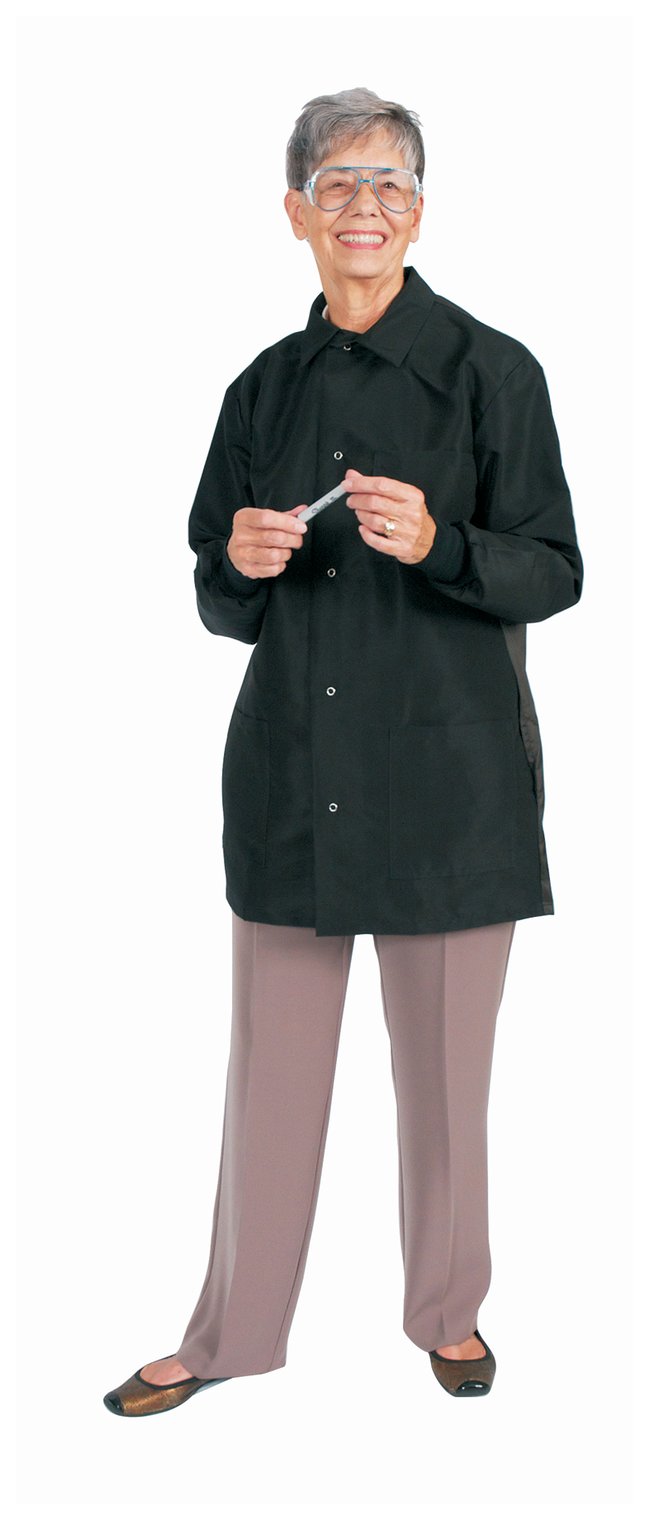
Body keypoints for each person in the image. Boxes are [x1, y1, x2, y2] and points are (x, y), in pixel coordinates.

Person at [104, 86, 583, 1417]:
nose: (364, 205)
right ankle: (228, 1335)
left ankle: (449, 1313)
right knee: (268, 1087)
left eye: (389, 184)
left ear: (418, 213)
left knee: (447, 1090)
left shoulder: (494, 372)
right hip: (291, 785)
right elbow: (219, 598)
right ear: (295, 213)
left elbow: (554, 571)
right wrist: (240, 563)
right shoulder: (261, 388)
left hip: (450, 787)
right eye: (338, 183)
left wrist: (441, 545)